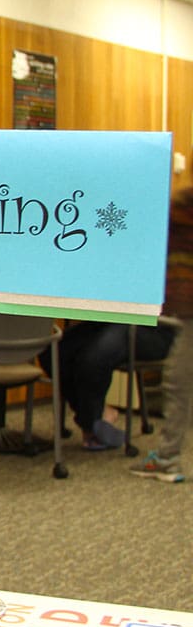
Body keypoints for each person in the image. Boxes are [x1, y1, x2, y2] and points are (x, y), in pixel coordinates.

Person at [130, 185, 193, 481]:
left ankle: (167, 459)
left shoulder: (182, 206)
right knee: (179, 384)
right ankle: (167, 457)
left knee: (179, 385)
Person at [39, 320, 175, 450]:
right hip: (109, 320)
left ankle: (92, 424)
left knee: (93, 358)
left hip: (156, 329)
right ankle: (97, 415)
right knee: (51, 353)